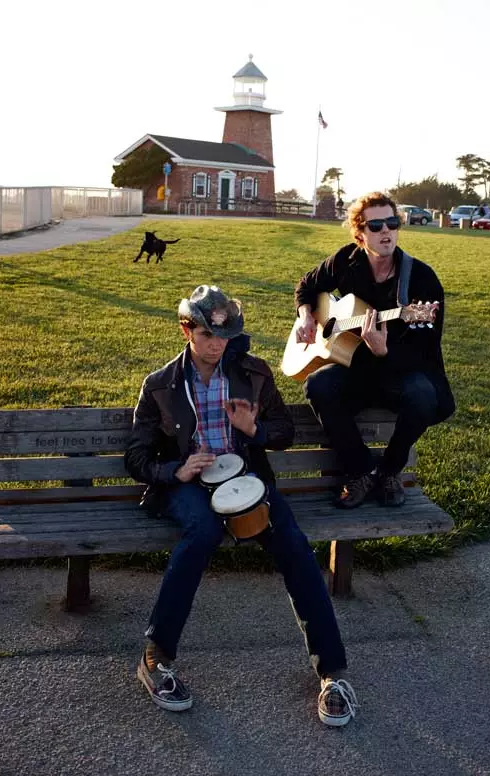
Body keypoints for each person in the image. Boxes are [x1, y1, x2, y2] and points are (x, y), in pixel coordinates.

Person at [125, 284, 358, 726]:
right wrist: (174, 471)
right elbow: (135, 456)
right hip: (191, 484)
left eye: (227, 335)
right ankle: (156, 658)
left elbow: (284, 432)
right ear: (186, 330)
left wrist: (254, 430)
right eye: (209, 336)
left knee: (292, 543)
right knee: (202, 533)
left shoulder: (254, 373)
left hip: (247, 481)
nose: (218, 344)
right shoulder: (161, 385)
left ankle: (332, 672)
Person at [294, 192, 455, 509]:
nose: (386, 232)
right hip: (355, 367)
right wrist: (306, 316)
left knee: (423, 394)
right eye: (376, 225)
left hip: (400, 373)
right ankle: (359, 471)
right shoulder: (346, 260)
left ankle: (389, 471)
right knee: (318, 384)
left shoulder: (421, 280)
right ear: (359, 233)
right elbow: (307, 285)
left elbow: (425, 352)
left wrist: (383, 352)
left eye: (392, 223)